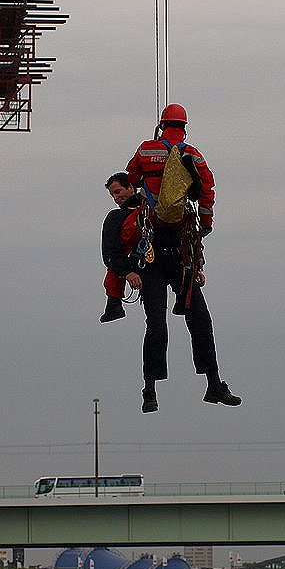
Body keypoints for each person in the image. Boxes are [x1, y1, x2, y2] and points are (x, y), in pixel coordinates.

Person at [124, 103, 240, 413]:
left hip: (151, 251)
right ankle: (213, 383)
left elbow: (132, 174)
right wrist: (207, 224)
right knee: (200, 319)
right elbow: (207, 190)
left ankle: (150, 390)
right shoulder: (194, 154)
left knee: (155, 323)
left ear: (162, 125)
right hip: (182, 251)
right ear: (185, 127)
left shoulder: (147, 149)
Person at [99, 173, 145, 323]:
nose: (116, 198)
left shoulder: (150, 209)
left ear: (131, 187)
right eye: (113, 195)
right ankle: (113, 304)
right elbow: (110, 251)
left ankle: (114, 304)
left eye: (118, 192)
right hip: (134, 264)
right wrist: (127, 272)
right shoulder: (116, 216)